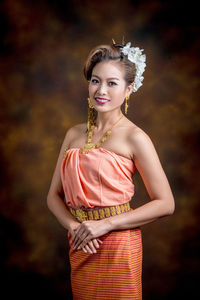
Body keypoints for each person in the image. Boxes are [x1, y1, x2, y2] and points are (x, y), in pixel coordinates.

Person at [47, 38, 175, 300]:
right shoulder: (73, 134)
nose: (101, 90)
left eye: (112, 83)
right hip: (82, 242)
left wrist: (104, 225)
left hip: (118, 246)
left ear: (129, 89)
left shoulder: (135, 137)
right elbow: (52, 197)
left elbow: (166, 203)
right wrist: (75, 227)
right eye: (95, 80)